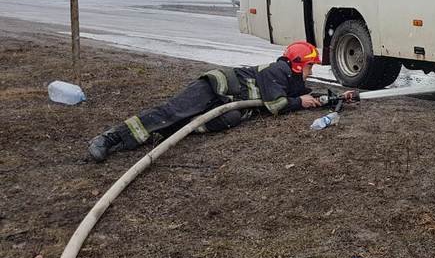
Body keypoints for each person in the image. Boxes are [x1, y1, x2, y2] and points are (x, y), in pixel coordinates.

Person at [88, 41, 352, 162]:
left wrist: (333, 98)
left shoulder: (289, 79)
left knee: (218, 120)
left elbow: (303, 94)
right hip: (215, 87)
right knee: (173, 112)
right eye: (309, 67)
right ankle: (109, 138)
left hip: (230, 102)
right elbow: (277, 105)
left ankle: (146, 138)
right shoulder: (277, 72)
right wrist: (301, 102)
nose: (311, 71)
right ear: (296, 66)